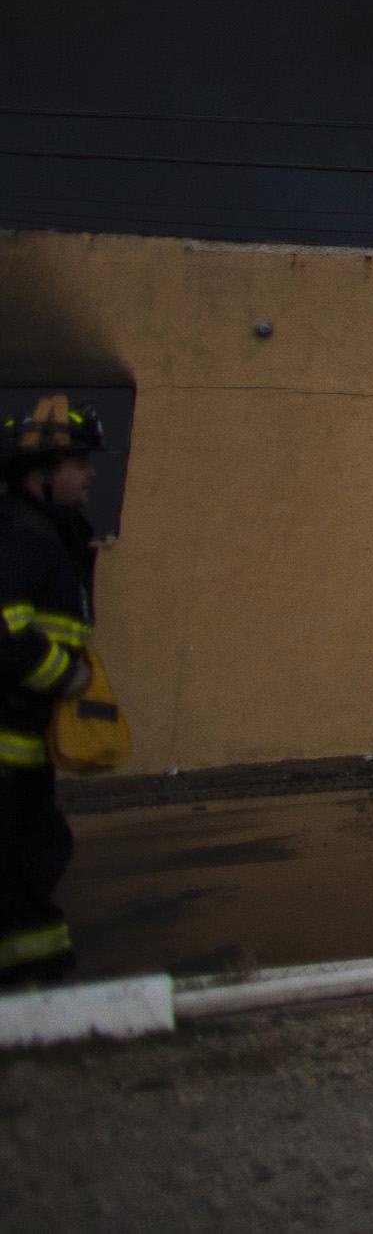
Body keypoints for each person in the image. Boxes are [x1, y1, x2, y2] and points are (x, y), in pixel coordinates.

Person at [2, 399, 103, 987]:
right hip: (8, 747)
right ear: (38, 471)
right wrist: (63, 676)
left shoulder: (48, 534)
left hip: (22, 750)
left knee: (27, 868)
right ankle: (41, 997)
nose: (90, 473)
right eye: (77, 462)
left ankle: (33, 994)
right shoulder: (19, 535)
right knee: (21, 868)